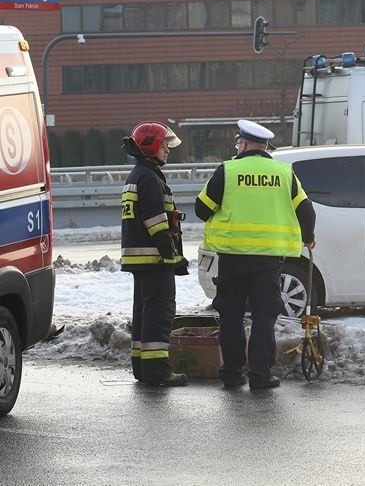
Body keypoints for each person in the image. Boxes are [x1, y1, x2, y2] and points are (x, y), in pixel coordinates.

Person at [195, 120, 316, 390]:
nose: (237, 147)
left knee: (231, 314)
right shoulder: (284, 173)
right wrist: (308, 237)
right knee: (264, 315)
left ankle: (232, 373)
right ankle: (261, 375)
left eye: (238, 143)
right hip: (269, 259)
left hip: (233, 257)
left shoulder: (228, 170)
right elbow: (306, 210)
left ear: (246, 144)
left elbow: (202, 209)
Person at [120, 121, 190, 386]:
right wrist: (170, 254)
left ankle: (142, 367)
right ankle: (157, 371)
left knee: (144, 314)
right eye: (163, 145)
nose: (167, 151)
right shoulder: (149, 178)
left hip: (142, 260)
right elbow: (156, 221)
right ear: (150, 146)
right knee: (159, 315)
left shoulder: (138, 175)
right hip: (154, 258)